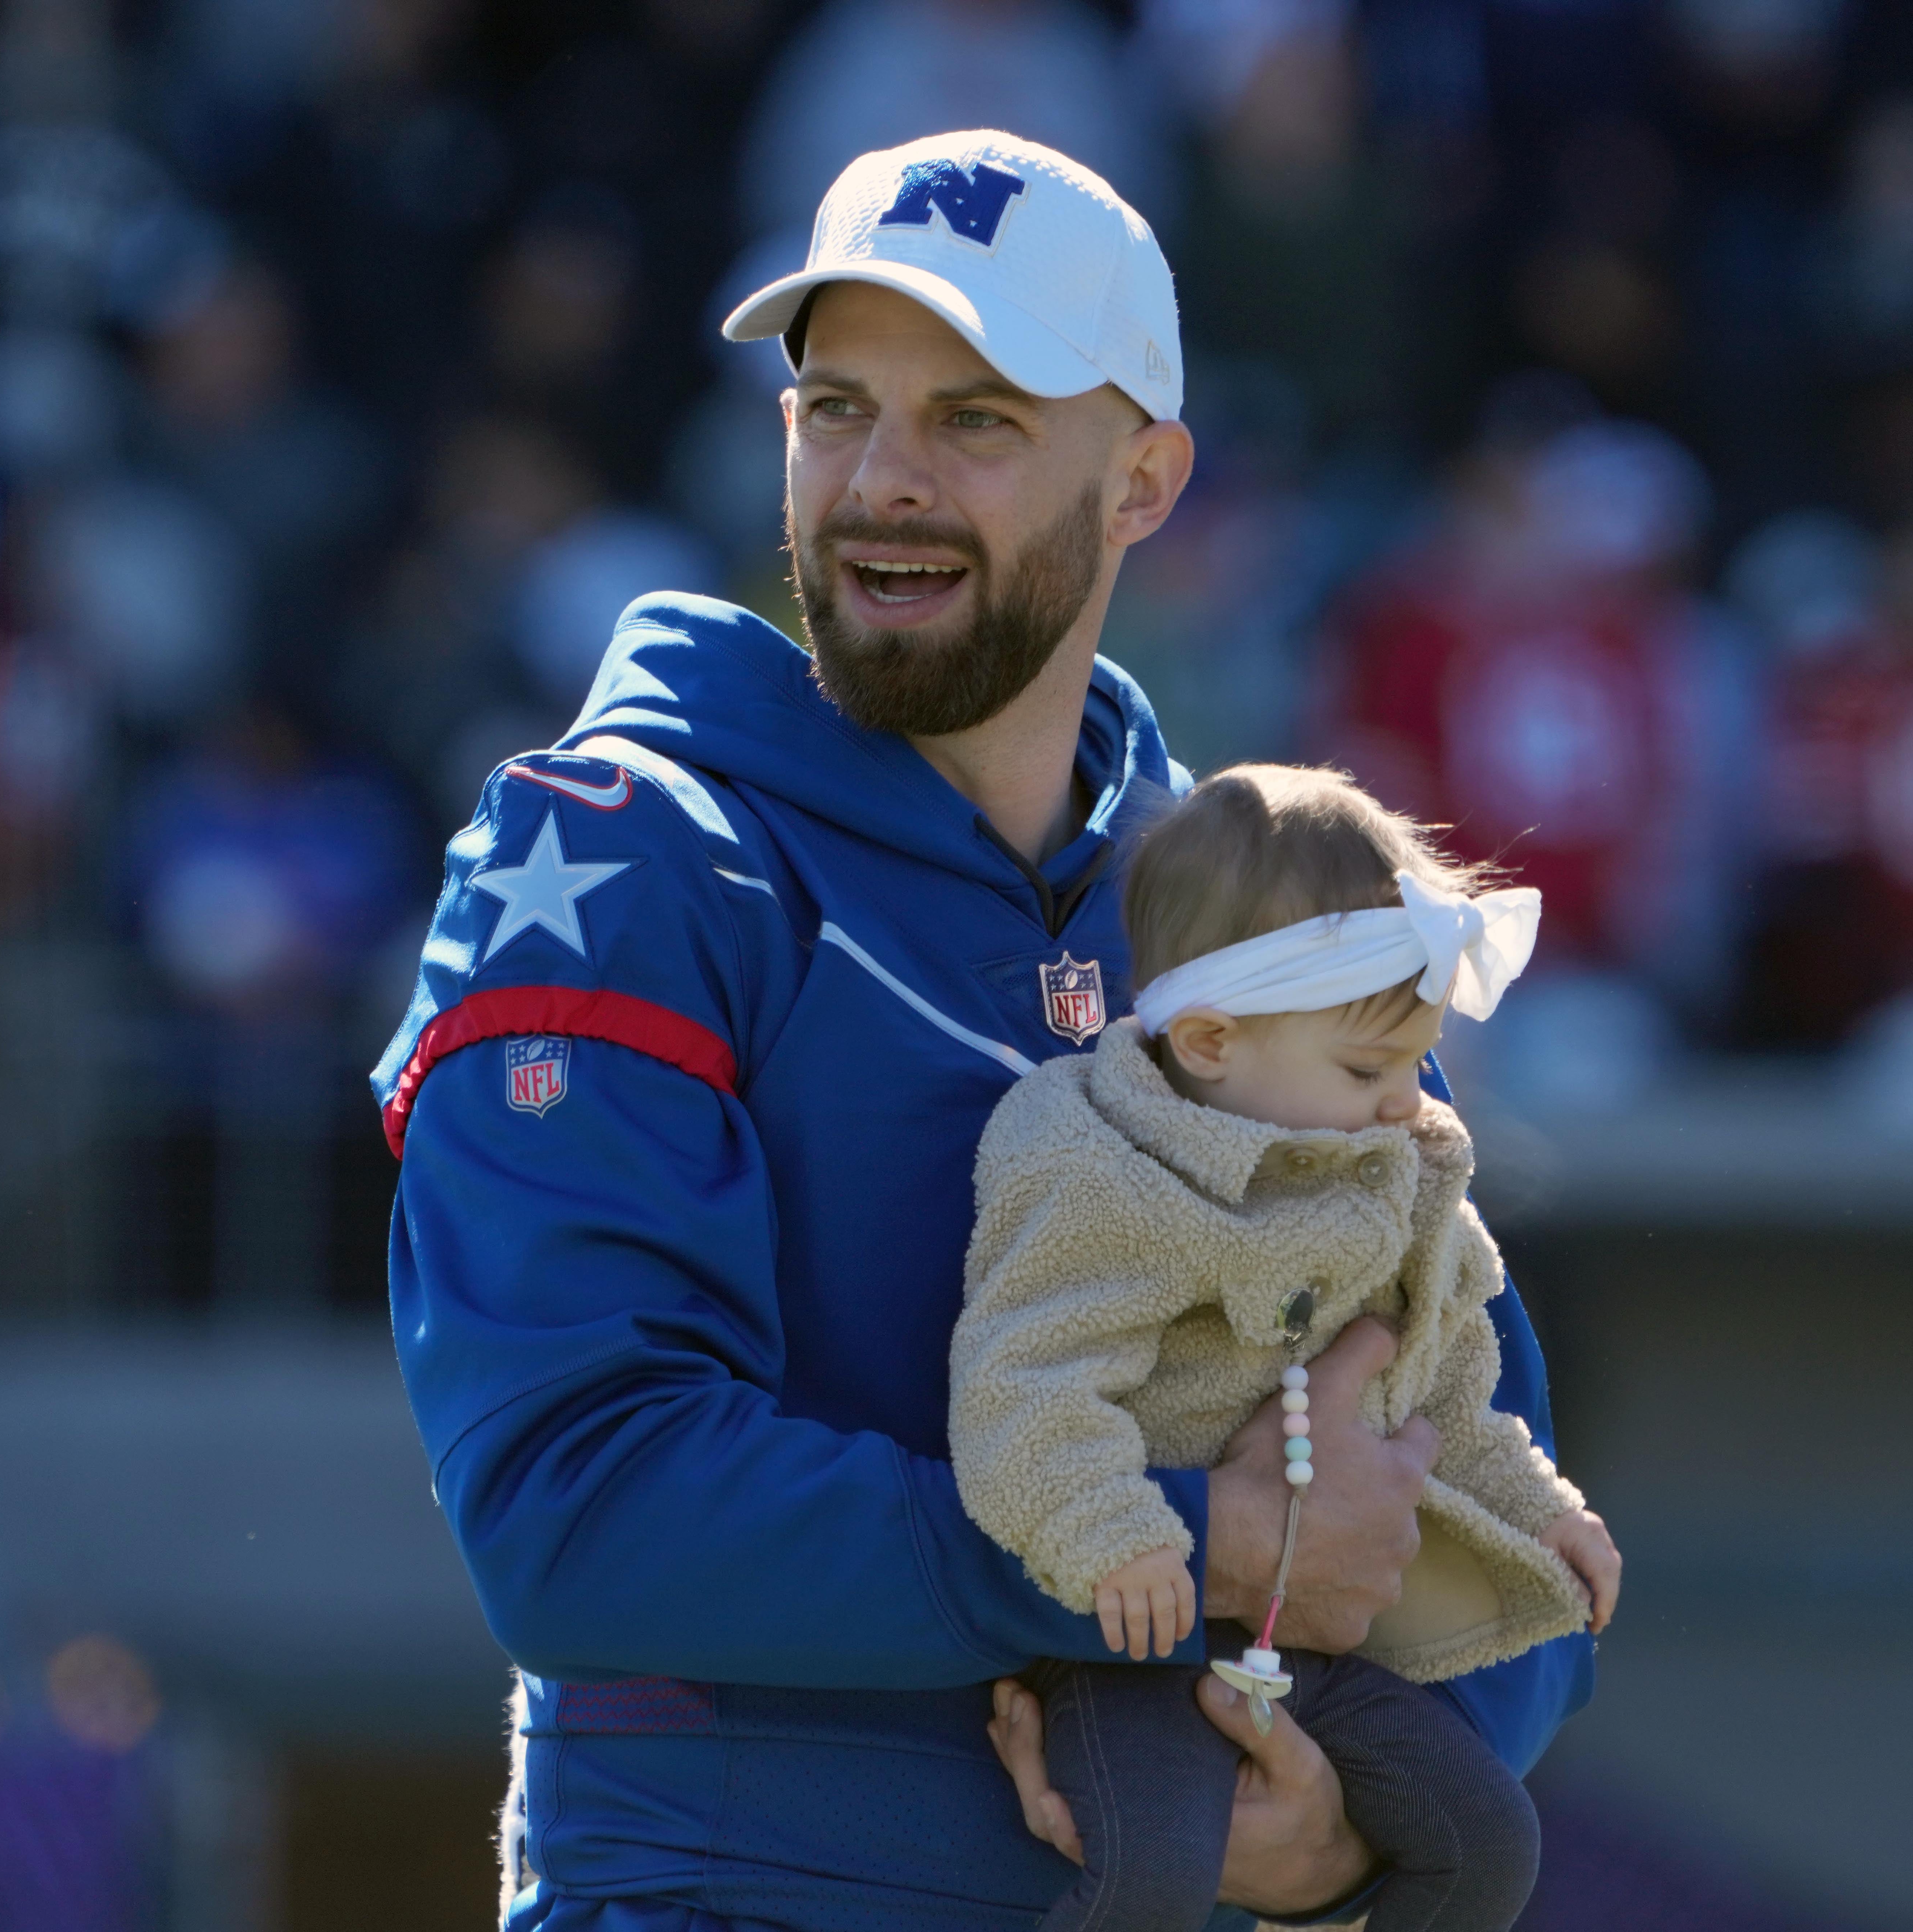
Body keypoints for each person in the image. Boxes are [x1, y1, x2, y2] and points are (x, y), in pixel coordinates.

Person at [371, 130, 1595, 1931]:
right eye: (836, 406)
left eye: (980, 420)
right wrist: (1185, 1547)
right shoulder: (627, 852)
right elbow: (575, 1505)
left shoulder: (1242, 895)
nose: (882, 480)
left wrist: (1349, 1817)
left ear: (1147, 480)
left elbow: (1461, 1429)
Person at [949, 764, 1620, 1932]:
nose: (1404, 1101)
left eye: (1413, 1063)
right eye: (1366, 1070)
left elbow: (1447, 1393)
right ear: (1209, 1039)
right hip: (1125, 1628)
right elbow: (1023, 1382)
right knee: (1147, 1873)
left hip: (1303, 1642)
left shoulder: (1399, 1173)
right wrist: (1122, 1536)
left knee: (1485, 1841)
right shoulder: (1105, 1171)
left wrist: (1539, 1510)